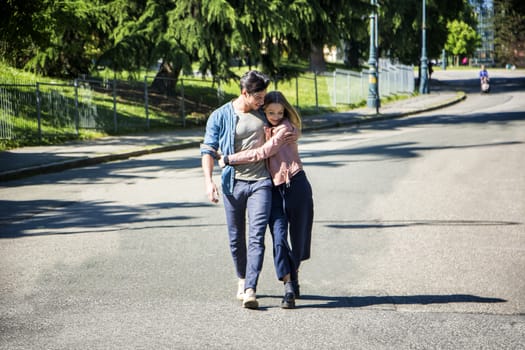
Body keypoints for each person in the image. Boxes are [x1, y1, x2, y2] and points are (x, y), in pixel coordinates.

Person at [219, 91, 314, 309]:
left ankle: (295, 272)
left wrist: (228, 159)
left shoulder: (285, 129)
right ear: (264, 111)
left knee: (298, 240)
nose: (275, 116)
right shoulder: (263, 125)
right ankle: (288, 285)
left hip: (296, 185)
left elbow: (262, 152)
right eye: (271, 112)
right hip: (273, 189)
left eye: (280, 112)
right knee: (279, 238)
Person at [200, 70, 272, 309]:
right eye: (258, 97)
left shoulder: (264, 112)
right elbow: (208, 150)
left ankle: (251, 287)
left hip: (261, 181)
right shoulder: (220, 116)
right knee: (235, 237)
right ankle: (242, 278)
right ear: (244, 93)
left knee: (256, 235)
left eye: (264, 96)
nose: (262, 101)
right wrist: (209, 181)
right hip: (233, 183)